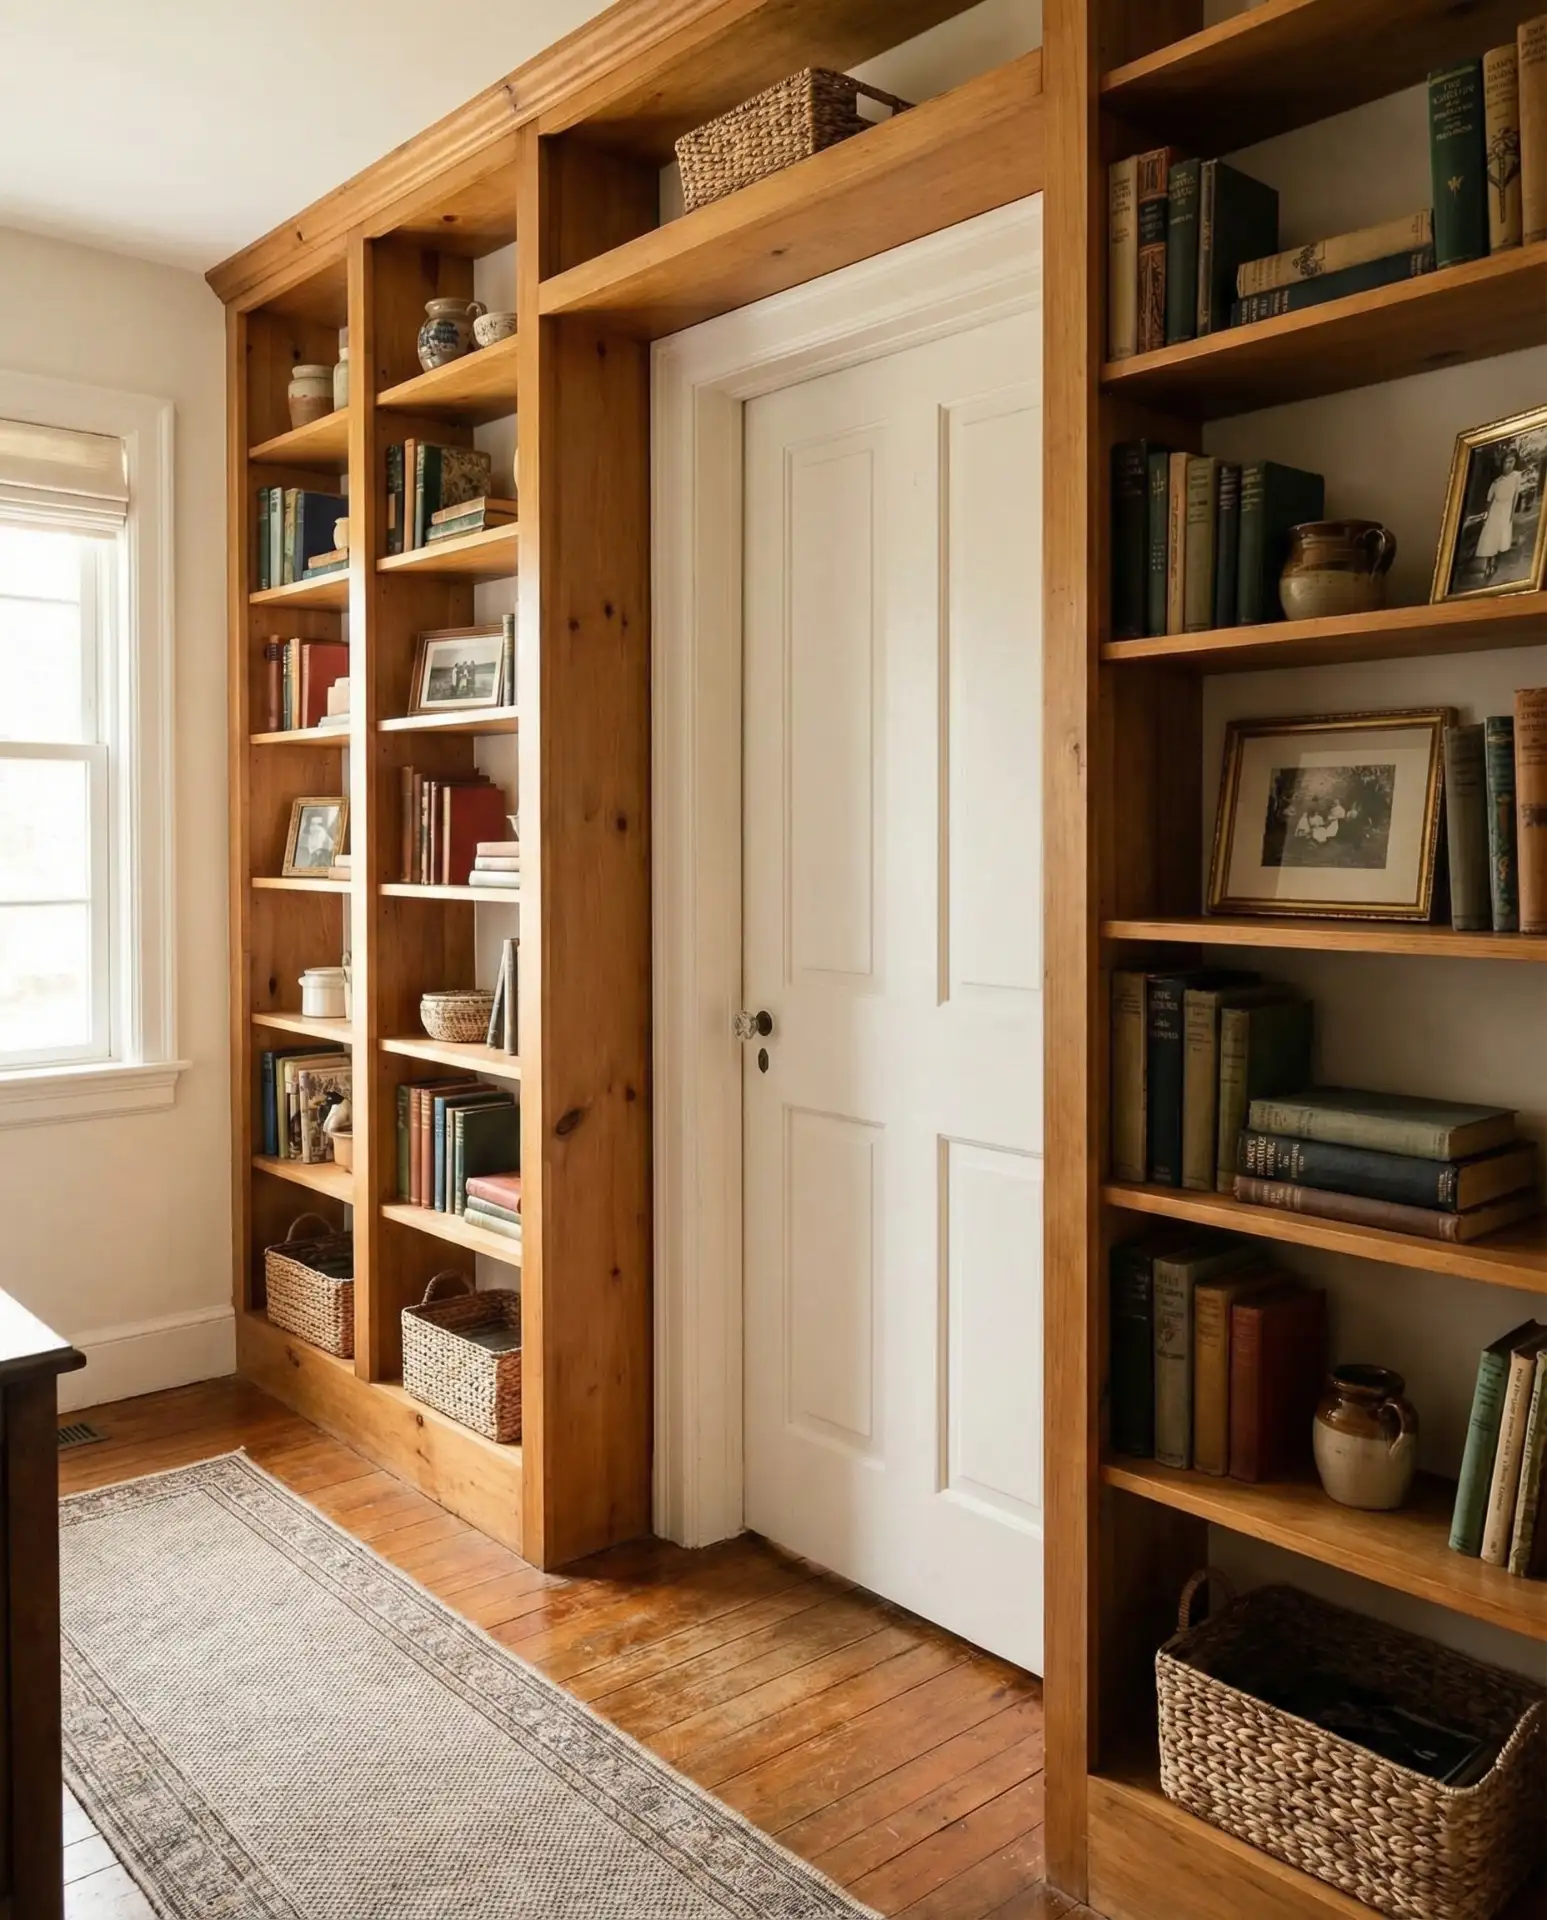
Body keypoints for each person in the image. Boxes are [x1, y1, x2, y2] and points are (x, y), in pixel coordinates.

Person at [1475, 447, 1524, 582]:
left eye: (1511, 462)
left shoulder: (1516, 477)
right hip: (1495, 510)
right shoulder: (1496, 482)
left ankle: (1493, 563)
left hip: (1506, 510)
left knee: (1500, 538)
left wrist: (1512, 514)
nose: (1508, 465)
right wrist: (1487, 515)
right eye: (1506, 462)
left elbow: (1516, 496)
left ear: (1515, 463)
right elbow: (1489, 500)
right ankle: (1488, 565)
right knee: (1491, 536)